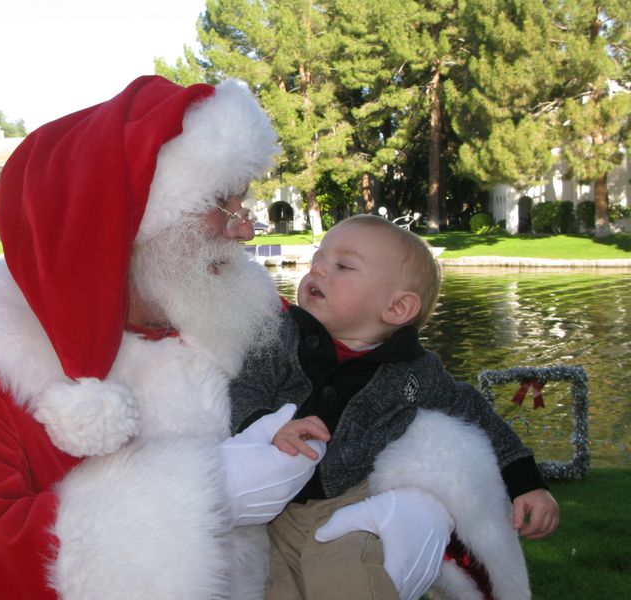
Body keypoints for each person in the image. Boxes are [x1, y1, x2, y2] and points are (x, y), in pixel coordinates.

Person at [0, 76, 328, 600]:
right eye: (221, 202)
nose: (245, 230)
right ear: (135, 222)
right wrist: (202, 496)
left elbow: (370, 385)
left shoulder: (250, 311)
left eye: (242, 202)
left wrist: (415, 498)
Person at [231, 214, 560, 600]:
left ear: (397, 308)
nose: (317, 267)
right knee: (273, 588)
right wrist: (269, 430)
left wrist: (527, 484)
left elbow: (475, 414)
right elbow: (244, 390)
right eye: (319, 257)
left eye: (342, 265)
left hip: (350, 504)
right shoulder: (281, 336)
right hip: (275, 512)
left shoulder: (414, 372)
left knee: (346, 581)